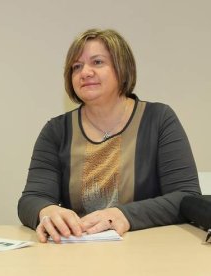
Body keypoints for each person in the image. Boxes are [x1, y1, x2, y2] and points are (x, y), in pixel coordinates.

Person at [17, 28, 201, 243]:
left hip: (147, 248)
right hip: (77, 252)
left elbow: (186, 196)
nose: (85, 72)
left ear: (122, 69)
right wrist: (46, 211)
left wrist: (123, 215)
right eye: (76, 67)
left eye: (97, 62)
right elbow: (31, 199)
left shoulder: (158, 119)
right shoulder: (56, 130)